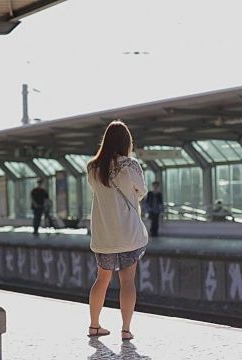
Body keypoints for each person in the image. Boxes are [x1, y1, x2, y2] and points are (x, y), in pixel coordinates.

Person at [86, 120, 148, 341]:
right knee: (128, 281)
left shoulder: (92, 167)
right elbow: (141, 191)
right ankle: (126, 329)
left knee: (101, 279)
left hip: (104, 232)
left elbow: (99, 191)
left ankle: (94, 325)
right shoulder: (130, 165)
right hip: (128, 232)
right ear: (126, 142)